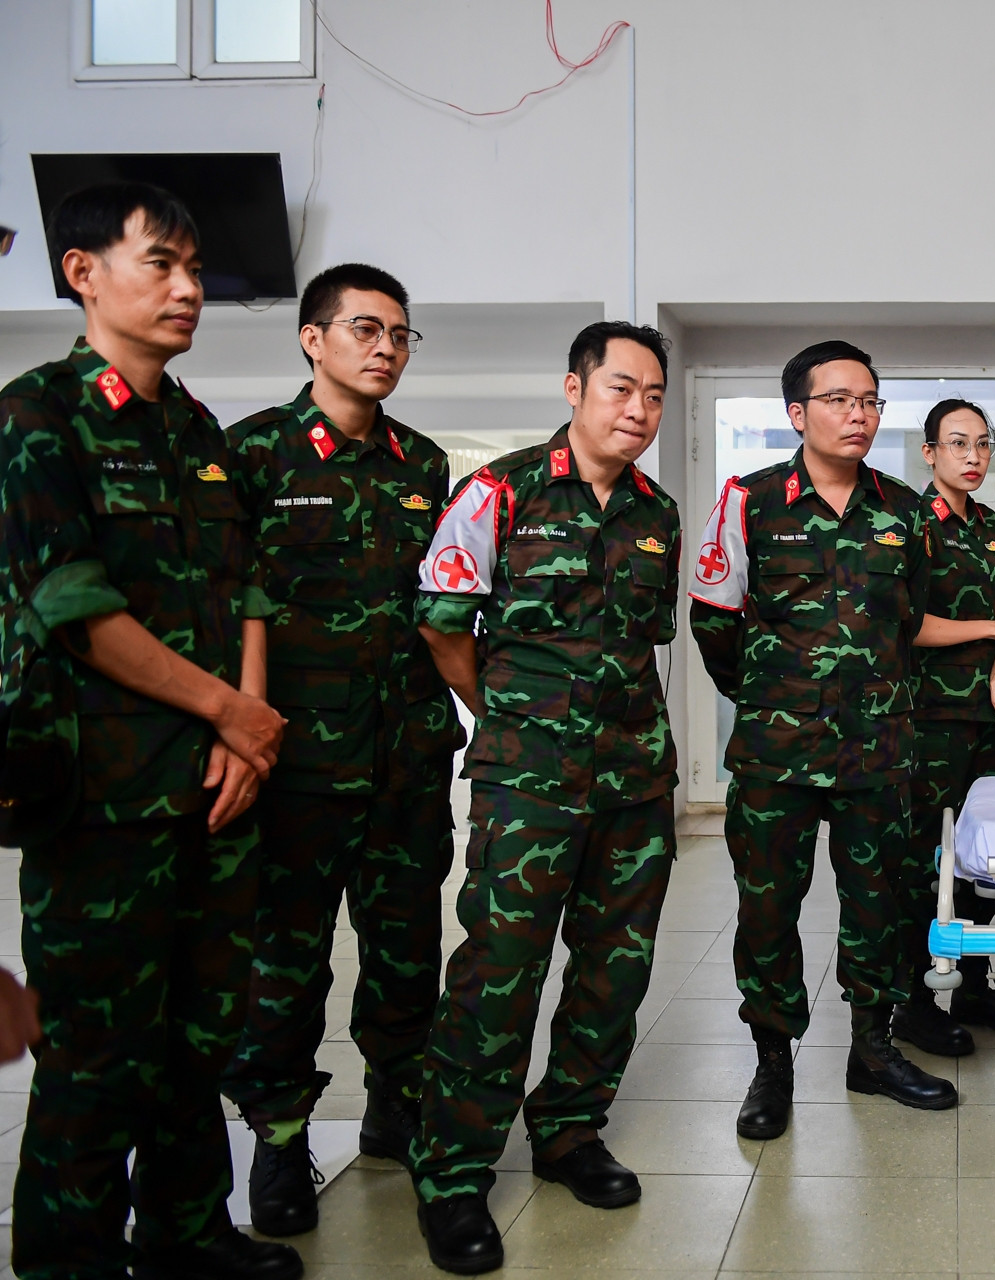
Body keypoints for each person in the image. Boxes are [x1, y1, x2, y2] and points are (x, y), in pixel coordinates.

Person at [0, 182, 300, 1279]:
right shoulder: (37, 418)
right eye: (161, 263)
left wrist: (246, 730)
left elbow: (247, 583)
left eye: (195, 269)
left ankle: (186, 1235)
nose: (188, 288)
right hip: (103, 803)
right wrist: (229, 709)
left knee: (199, 1036)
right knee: (97, 1056)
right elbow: (73, 606)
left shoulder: (196, 429)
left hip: (216, 791)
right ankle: (68, 1260)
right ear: (82, 272)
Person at [408, 321, 681, 1274]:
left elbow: (646, 641)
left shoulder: (657, 511)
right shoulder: (501, 490)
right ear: (575, 389)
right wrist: (506, 716)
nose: (639, 410)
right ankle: (451, 1171)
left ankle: (568, 1130)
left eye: (654, 395)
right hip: (528, 782)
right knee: (500, 970)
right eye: (621, 389)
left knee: (615, 970)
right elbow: (443, 624)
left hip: (635, 781)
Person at [219, 264, 464, 1237]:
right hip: (298, 765)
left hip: (406, 756)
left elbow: (439, 602)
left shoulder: (424, 464)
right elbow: (228, 601)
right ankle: (280, 1136)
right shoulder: (254, 455)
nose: (386, 348)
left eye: (400, 334)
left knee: (407, 951)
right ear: (312, 338)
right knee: (286, 959)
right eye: (366, 329)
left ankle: (396, 1106)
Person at [690, 339, 957, 1144]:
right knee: (768, 910)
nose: (858, 414)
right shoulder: (748, 500)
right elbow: (714, 623)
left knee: (879, 905)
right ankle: (773, 1065)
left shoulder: (906, 511)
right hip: (776, 755)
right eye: (839, 399)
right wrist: (769, 697)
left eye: (870, 400)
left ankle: (872, 1050)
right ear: (797, 413)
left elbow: (910, 623)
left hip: (878, 751)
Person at [899, 399, 995, 1047]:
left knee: (986, 857)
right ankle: (912, 1000)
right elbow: (909, 625)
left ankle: (977, 987)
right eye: (958, 443)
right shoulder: (911, 525)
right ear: (929, 452)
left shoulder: (989, 524)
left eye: (983, 443)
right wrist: (992, 630)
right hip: (933, 718)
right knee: (920, 861)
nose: (973, 456)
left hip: (993, 717)